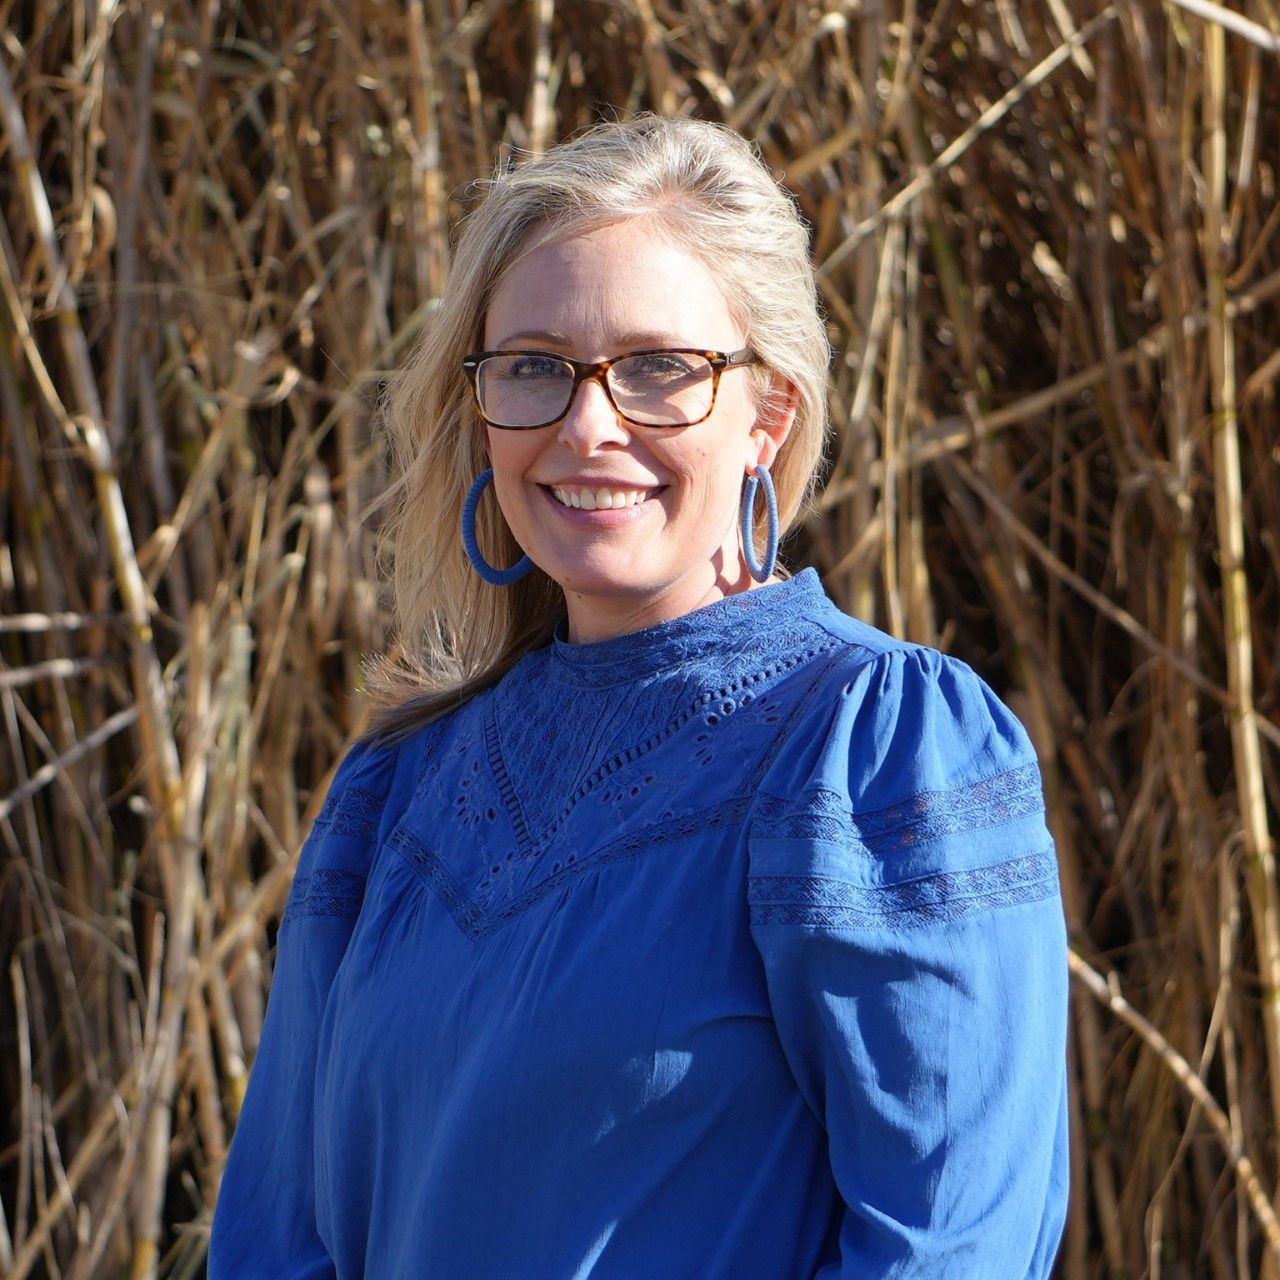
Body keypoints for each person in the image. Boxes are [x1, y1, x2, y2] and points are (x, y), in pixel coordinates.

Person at [209, 114, 1069, 1278]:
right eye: (533, 367)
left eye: (660, 367)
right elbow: (273, 1233)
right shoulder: (393, 791)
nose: (587, 424)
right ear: (479, 407)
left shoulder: (874, 751)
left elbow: (950, 1243)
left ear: (767, 413)